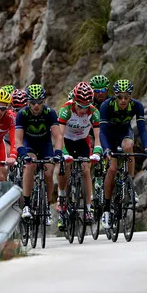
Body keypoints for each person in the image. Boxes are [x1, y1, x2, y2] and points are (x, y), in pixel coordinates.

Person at [99, 79, 147, 229]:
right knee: (111, 169)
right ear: (115, 96)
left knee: (129, 146)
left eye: (126, 97)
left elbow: (142, 130)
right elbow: (102, 132)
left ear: (131, 96)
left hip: (124, 133)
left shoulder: (137, 106)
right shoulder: (106, 106)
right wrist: (105, 149)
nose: (123, 100)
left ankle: (129, 184)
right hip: (109, 137)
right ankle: (106, 211)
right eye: (120, 97)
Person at [56, 82, 102, 229]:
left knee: (86, 169)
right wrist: (63, 153)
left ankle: (89, 208)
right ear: (74, 101)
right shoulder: (66, 110)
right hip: (66, 141)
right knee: (66, 165)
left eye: (86, 106)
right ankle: (62, 196)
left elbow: (98, 138)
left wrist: (97, 152)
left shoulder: (94, 112)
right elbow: (59, 136)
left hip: (82, 141)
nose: (83, 110)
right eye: (80, 106)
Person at [16, 84, 63, 226]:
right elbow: (18, 139)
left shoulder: (49, 113)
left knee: (49, 173)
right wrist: (23, 154)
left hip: (45, 145)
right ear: (27, 102)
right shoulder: (22, 114)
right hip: (29, 144)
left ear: (44, 101)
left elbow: (58, 136)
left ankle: (47, 208)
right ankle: (27, 205)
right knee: (30, 166)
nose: (36, 106)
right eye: (32, 102)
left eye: (39, 102)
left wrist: (58, 153)